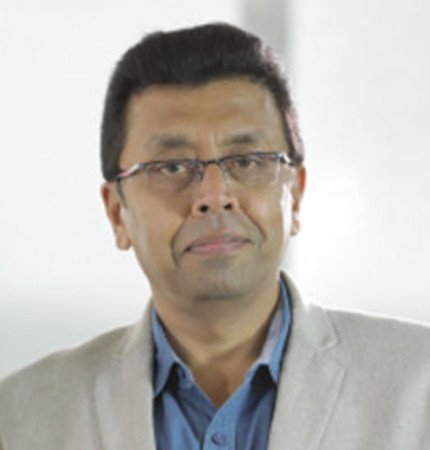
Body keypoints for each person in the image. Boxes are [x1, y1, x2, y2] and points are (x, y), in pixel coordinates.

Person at [0, 22, 429, 450]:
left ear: (295, 196)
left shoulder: (418, 386)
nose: (214, 196)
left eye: (247, 161)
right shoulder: (21, 416)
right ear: (117, 213)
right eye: (171, 167)